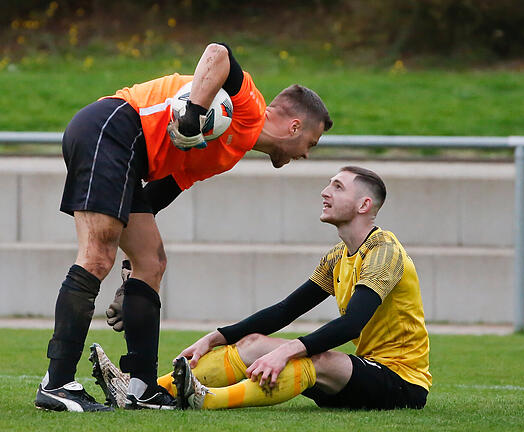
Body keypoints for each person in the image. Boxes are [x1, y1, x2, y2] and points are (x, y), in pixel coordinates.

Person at [34, 42, 333, 412]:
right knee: (96, 257)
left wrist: (131, 284)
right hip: (111, 130)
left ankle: (141, 389)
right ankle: (57, 383)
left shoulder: (230, 151)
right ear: (294, 125)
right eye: (311, 142)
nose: (305, 153)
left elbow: (157, 196)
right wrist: (192, 113)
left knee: (151, 264)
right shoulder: (249, 107)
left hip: (125, 151)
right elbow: (218, 53)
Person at [90, 166, 431, 411]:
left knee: (312, 360)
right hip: (363, 371)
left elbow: (352, 323)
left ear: (364, 206)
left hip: (402, 382)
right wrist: (217, 337)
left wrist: (287, 350)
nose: (325, 192)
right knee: (252, 344)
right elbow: (285, 310)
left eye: (338, 187)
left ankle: (207, 399)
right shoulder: (338, 256)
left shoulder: (384, 250)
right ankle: (145, 391)